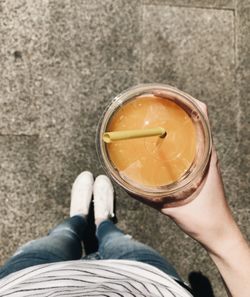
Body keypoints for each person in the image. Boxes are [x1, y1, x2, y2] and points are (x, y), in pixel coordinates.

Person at [0, 101, 249, 297]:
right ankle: (103, 223)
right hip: (146, 281)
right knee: (116, 240)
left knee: (61, 237)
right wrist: (223, 239)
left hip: (27, 280)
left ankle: (82, 219)